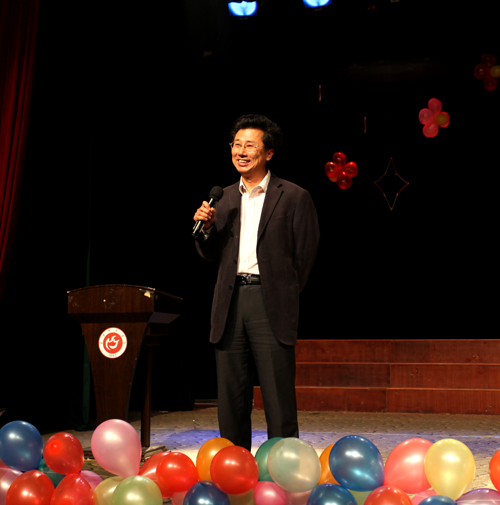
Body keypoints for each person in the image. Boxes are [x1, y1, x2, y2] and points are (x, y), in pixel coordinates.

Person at [193, 114, 319, 450]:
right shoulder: (222, 198)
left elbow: (304, 256)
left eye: (250, 145)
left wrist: (282, 292)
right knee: (231, 397)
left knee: (277, 396)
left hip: (269, 302)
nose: (241, 151)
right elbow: (210, 254)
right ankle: (235, 468)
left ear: (268, 153)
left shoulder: (293, 196)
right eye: (236, 145)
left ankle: (283, 468)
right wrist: (206, 229)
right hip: (230, 303)